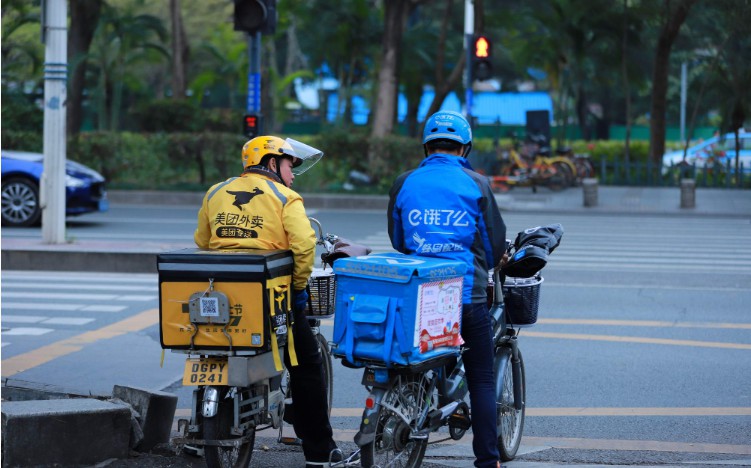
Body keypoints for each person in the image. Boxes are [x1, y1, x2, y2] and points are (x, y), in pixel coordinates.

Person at [194, 135, 340, 468]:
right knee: (307, 365)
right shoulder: (285, 197)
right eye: (290, 166)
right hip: (271, 300)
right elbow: (304, 247)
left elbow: (202, 240)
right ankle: (320, 451)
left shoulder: (216, 192)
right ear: (272, 163)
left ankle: (198, 435)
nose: (292, 175)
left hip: (220, 300)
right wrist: (299, 288)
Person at [387, 110, 507, 468]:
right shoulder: (477, 184)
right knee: (482, 380)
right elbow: (493, 245)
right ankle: (488, 460)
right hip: (466, 295)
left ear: (427, 147)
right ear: (465, 149)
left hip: (418, 293)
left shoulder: (404, 182)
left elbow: (399, 240)